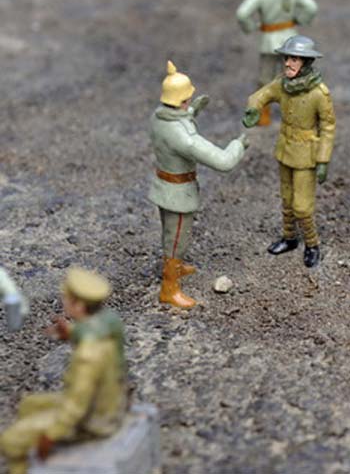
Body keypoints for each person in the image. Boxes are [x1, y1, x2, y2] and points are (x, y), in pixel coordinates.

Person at [0, 268, 127, 474]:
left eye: (66, 298)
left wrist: (50, 435)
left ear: (79, 305)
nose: (63, 301)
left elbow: (76, 407)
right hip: (109, 402)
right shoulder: (107, 322)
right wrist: (71, 332)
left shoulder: (87, 357)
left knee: (10, 441)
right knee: (29, 405)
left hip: (94, 420)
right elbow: (93, 330)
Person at [149, 60, 247, 308]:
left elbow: (175, 122)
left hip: (163, 185)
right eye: (187, 100)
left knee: (171, 233)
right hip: (178, 194)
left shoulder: (158, 117)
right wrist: (238, 145)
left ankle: (176, 267)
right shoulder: (183, 137)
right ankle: (169, 288)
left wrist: (191, 112)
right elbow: (223, 161)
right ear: (181, 100)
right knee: (177, 239)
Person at [243, 35, 336, 267]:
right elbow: (260, 95)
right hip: (285, 149)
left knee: (302, 206)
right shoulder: (282, 84)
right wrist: (253, 108)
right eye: (287, 58)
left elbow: (328, 127)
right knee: (286, 199)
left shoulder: (319, 93)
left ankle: (312, 244)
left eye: (294, 59)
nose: (288, 63)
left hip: (306, 155)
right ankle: (289, 237)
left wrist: (323, 159)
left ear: (306, 62)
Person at [236, 0, 318, 125]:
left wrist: (251, 27)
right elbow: (311, 7)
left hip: (269, 41)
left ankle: (263, 116)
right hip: (290, 39)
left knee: (265, 79)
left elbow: (242, 14)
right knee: (294, 78)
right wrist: (300, 20)